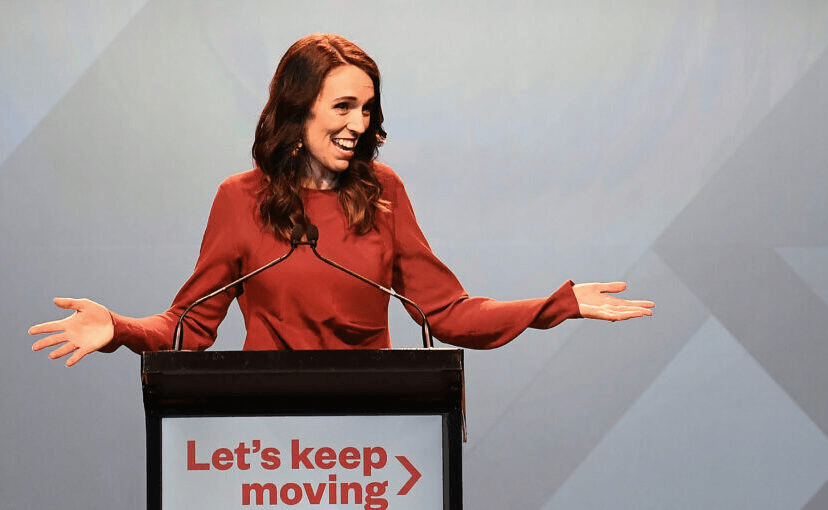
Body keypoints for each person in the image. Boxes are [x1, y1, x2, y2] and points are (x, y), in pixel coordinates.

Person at [29, 33, 655, 367]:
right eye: (343, 106)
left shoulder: (384, 194)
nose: (360, 123)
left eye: (368, 107)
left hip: (371, 441)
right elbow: (189, 327)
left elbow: (448, 312)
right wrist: (118, 330)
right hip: (268, 446)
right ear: (298, 111)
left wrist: (557, 304)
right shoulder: (239, 200)